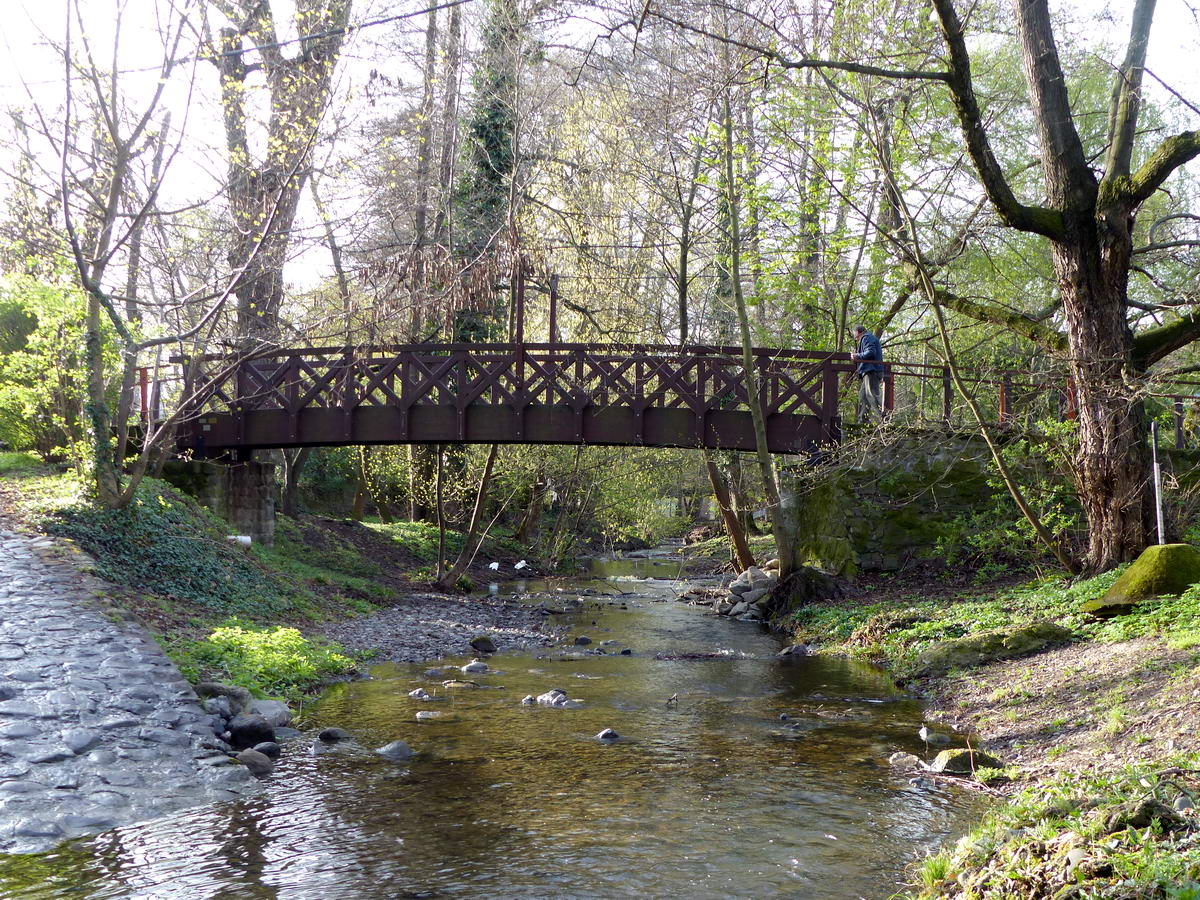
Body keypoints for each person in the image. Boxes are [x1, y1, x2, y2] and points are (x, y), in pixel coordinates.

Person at [850, 324, 884, 422]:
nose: (853, 335)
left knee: (871, 395)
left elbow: (871, 352)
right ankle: (863, 421)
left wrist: (857, 355)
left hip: (871, 370)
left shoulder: (866, 337)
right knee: (863, 396)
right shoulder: (867, 338)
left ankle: (884, 419)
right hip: (868, 371)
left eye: (854, 333)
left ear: (858, 332)